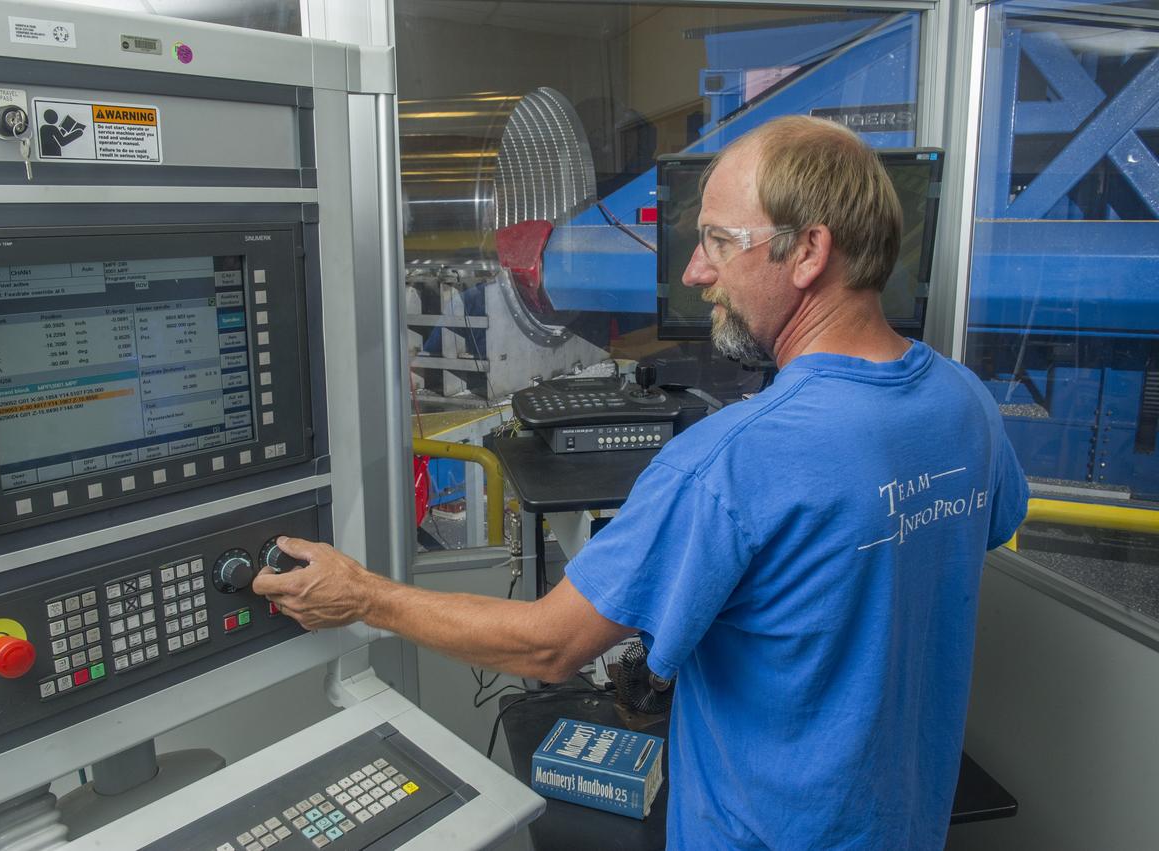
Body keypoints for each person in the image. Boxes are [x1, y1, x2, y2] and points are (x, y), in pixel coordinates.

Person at [253, 115, 1029, 849]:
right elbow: (944, 540)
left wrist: (365, 597)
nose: (696, 273)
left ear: (808, 252)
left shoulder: (731, 460)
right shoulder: (963, 403)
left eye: (719, 242)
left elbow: (550, 646)